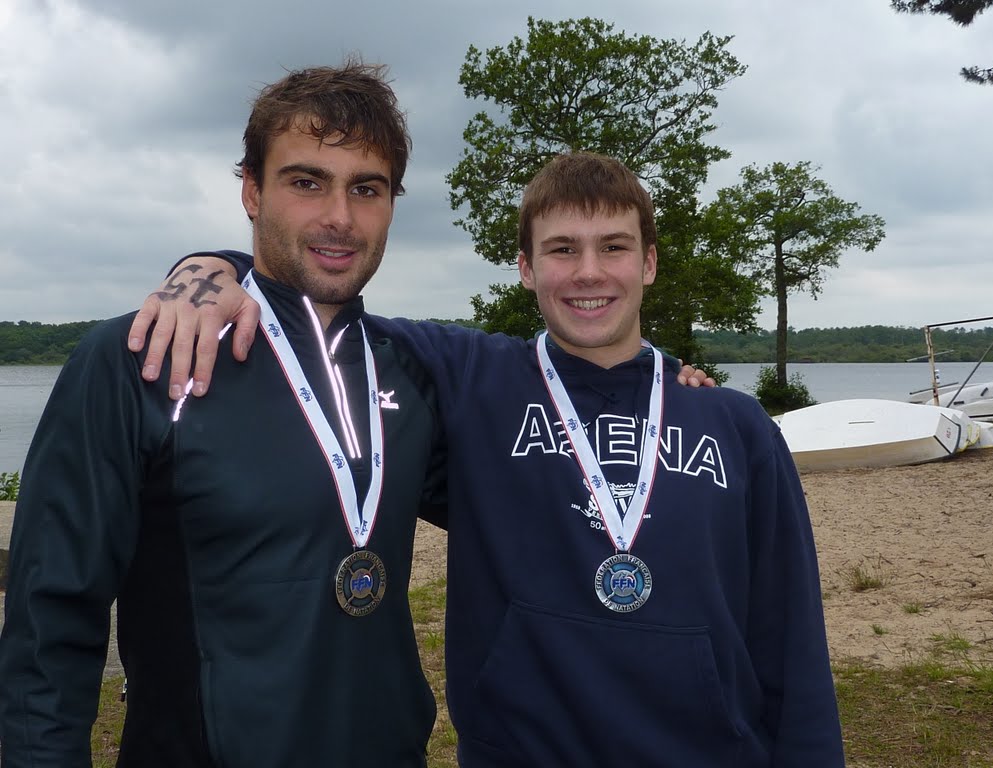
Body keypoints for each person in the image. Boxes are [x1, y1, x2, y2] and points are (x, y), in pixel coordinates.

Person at [137, 153, 844, 765]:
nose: (588, 272)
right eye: (562, 249)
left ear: (649, 262)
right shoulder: (470, 378)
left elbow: (790, 641)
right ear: (526, 268)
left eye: (614, 247)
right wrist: (212, 269)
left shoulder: (737, 425)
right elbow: (315, 310)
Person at [0, 62, 449, 766]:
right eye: (307, 182)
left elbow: (536, 495)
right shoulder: (139, 361)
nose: (340, 216)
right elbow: (48, 619)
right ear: (251, 190)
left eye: (367, 188)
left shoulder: (412, 370)